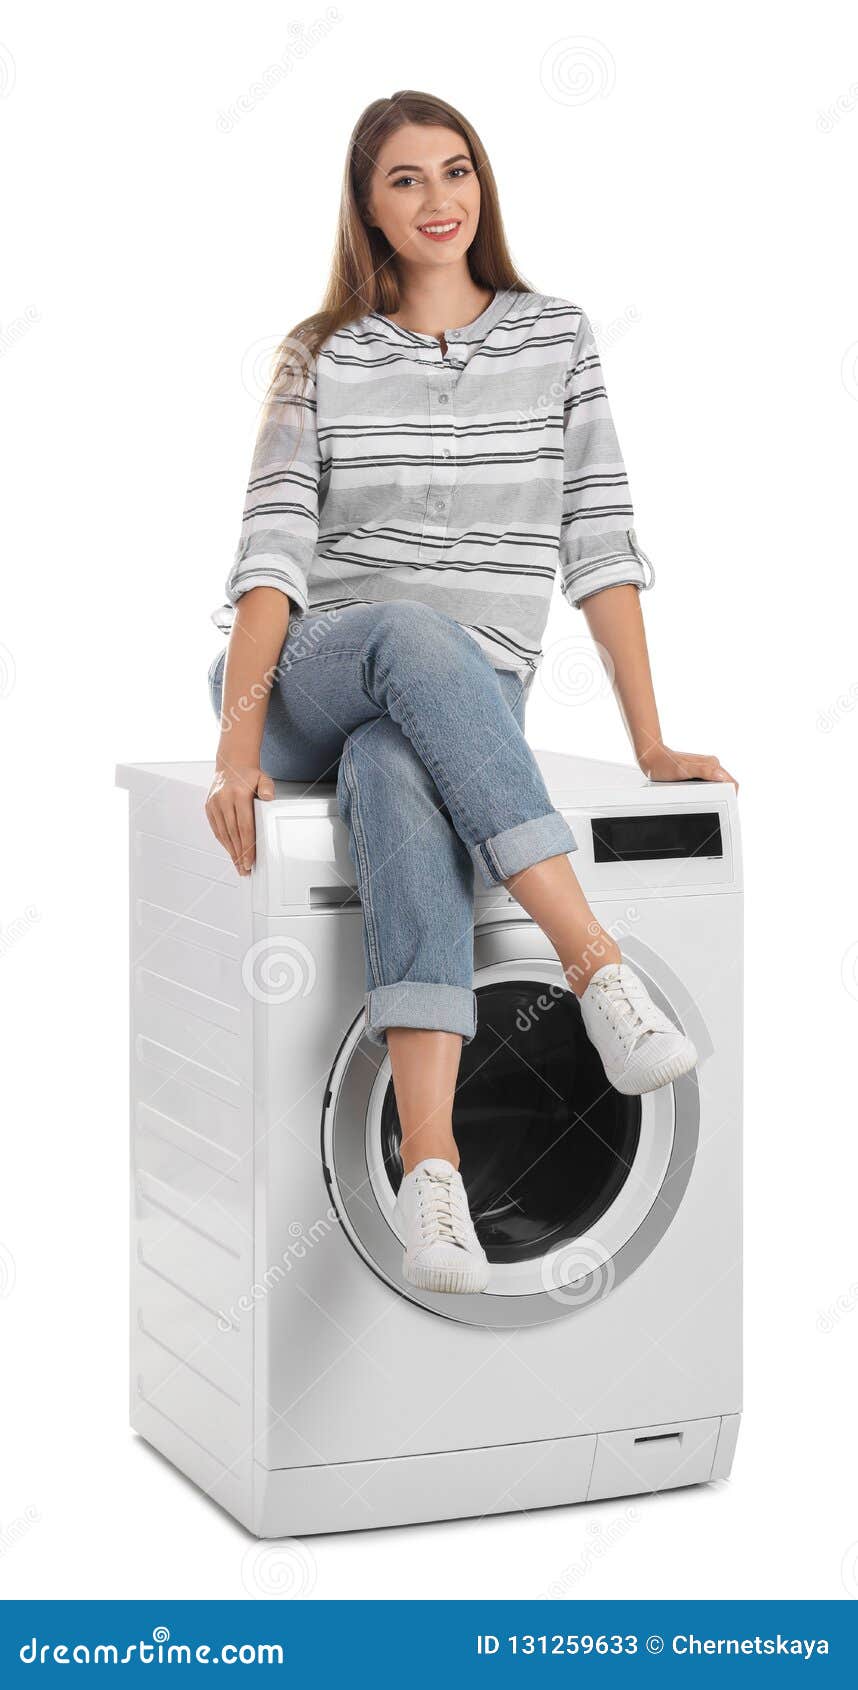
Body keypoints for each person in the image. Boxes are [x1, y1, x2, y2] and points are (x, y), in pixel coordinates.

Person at [205, 89, 737, 1296]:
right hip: (306, 675)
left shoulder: (557, 337)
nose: (438, 199)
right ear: (368, 207)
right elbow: (272, 554)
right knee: (405, 630)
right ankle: (597, 965)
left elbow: (597, 541)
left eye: (456, 172)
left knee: (400, 766)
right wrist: (239, 747)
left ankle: (434, 1172)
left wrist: (651, 744)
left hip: (463, 696)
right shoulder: (321, 354)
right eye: (405, 179)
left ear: (482, 188)